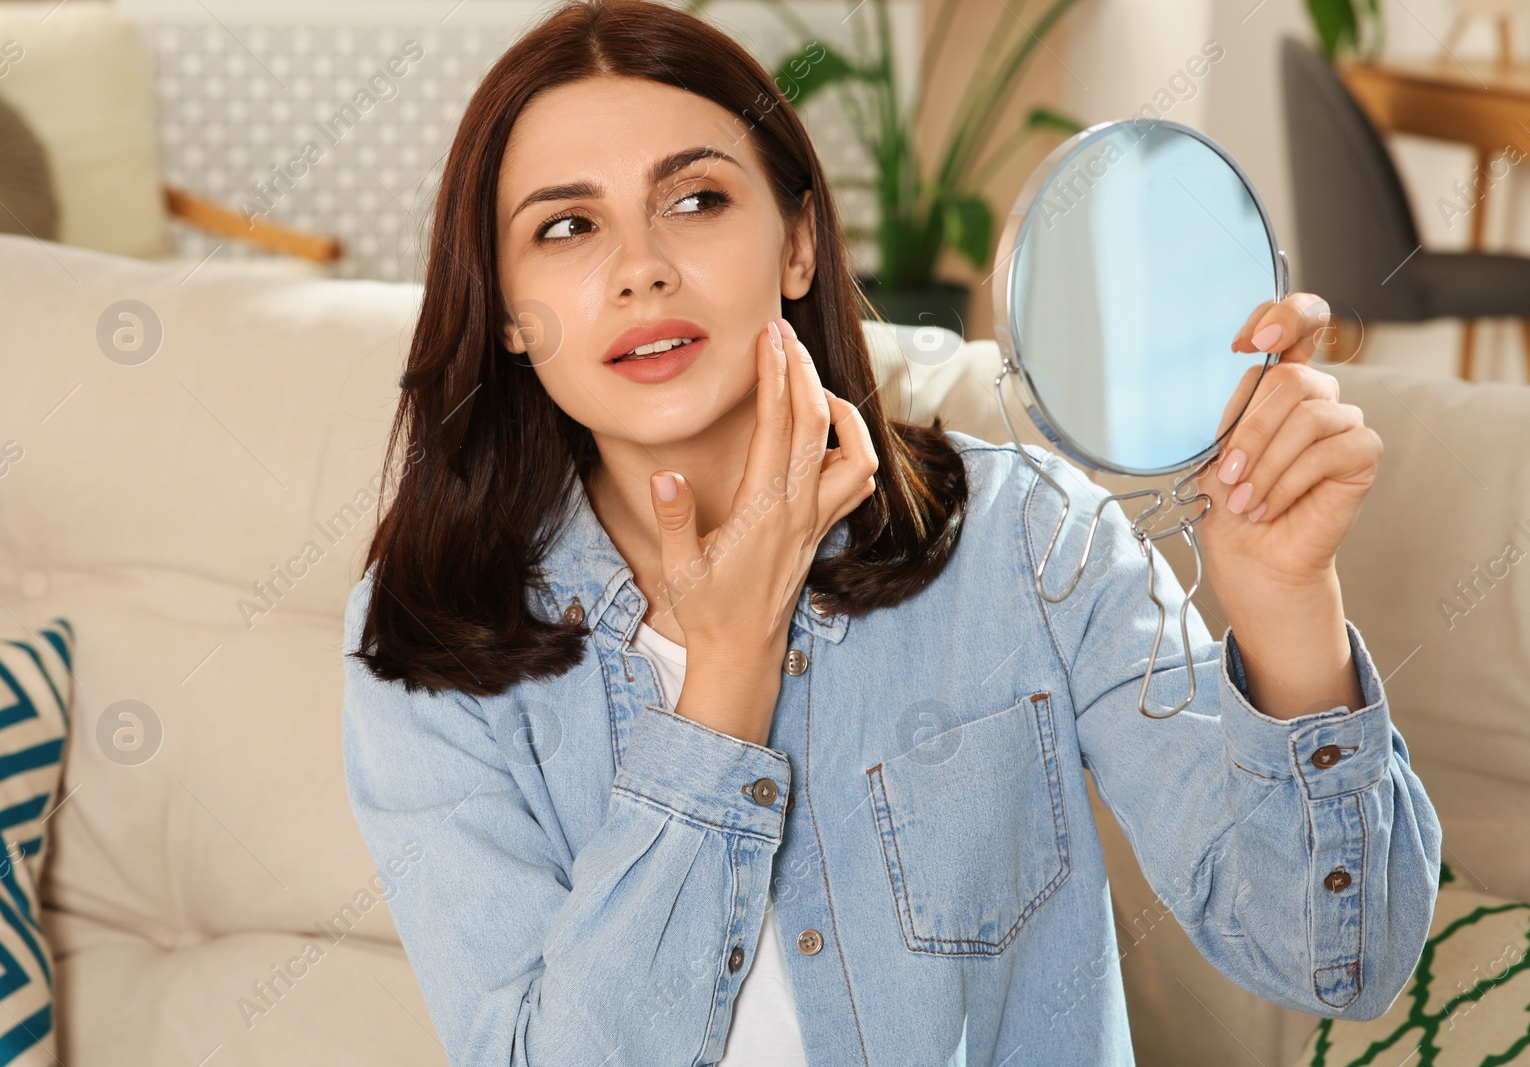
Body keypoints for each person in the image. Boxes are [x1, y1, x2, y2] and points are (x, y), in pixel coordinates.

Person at [340, 2, 1443, 1064]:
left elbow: (1338, 964)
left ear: (798, 246)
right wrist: (725, 676)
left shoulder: (1028, 543)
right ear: (512, 314)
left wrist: (1285, 602)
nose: (642, 268)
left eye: (696, 200)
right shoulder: (428, 641)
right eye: (567, 227)